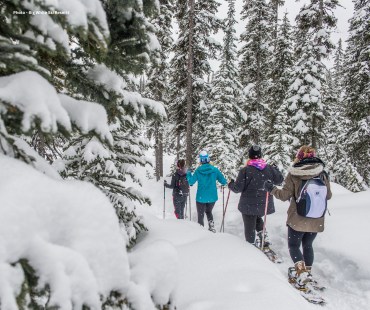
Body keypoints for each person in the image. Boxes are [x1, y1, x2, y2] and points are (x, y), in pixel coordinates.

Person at [264, 145, 332, 288]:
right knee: (308, 245)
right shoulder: (322, 173)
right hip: (316, 218)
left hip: (298, 218)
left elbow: (284, 196)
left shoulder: (294, 174)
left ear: (299, 157)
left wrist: (271, 189)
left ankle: (301, 273)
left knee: (294, 245)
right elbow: (329, 195)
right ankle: (307, 272)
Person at [228, 145, 283, 247]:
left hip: (248, 205)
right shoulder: (269, 168)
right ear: (260, 155)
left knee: (249, 226)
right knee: (257, 217)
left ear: (249, 156)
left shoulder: (245, 170)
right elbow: (279, 180)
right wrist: (276, 170)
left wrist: (230, 184)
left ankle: (251, 246)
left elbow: (237, 188)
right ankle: (263, 236)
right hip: (264, 204)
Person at [186, 150, 227, 232]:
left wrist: (188, 173)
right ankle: (211, 226)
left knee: (200, 215)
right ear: (208, 159)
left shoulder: (198, 170)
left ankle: (200, 230)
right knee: (208, 211)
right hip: (212, 197)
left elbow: (191, 182)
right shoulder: (215, 170)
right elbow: (223, 181)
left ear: (201, 161)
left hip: (201, 197)